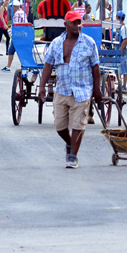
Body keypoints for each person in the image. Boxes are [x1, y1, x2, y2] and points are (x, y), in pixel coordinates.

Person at [38, 11, 102, 169]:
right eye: (73, 22)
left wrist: (97, 89)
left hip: (82, 91)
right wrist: (42, 87)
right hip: (62, 90)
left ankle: (73, 156)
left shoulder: (89, 43)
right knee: (59, 125)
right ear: (65, 24)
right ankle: (69, 143)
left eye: (79, 22)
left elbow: (95, 67)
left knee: (79, 125)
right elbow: (48, 65)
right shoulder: (56, 43)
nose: (77, 26)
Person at [1, 0, 27, 72]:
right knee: (20, 50)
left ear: (15, 7)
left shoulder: (17, 14)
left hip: (17, 35)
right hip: (23, 35)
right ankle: (23, 64)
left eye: (13, 6)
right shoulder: (23, 13)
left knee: (11, 51)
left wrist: (11, 32)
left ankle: (8, 67)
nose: (12, 8)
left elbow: (16, 25)